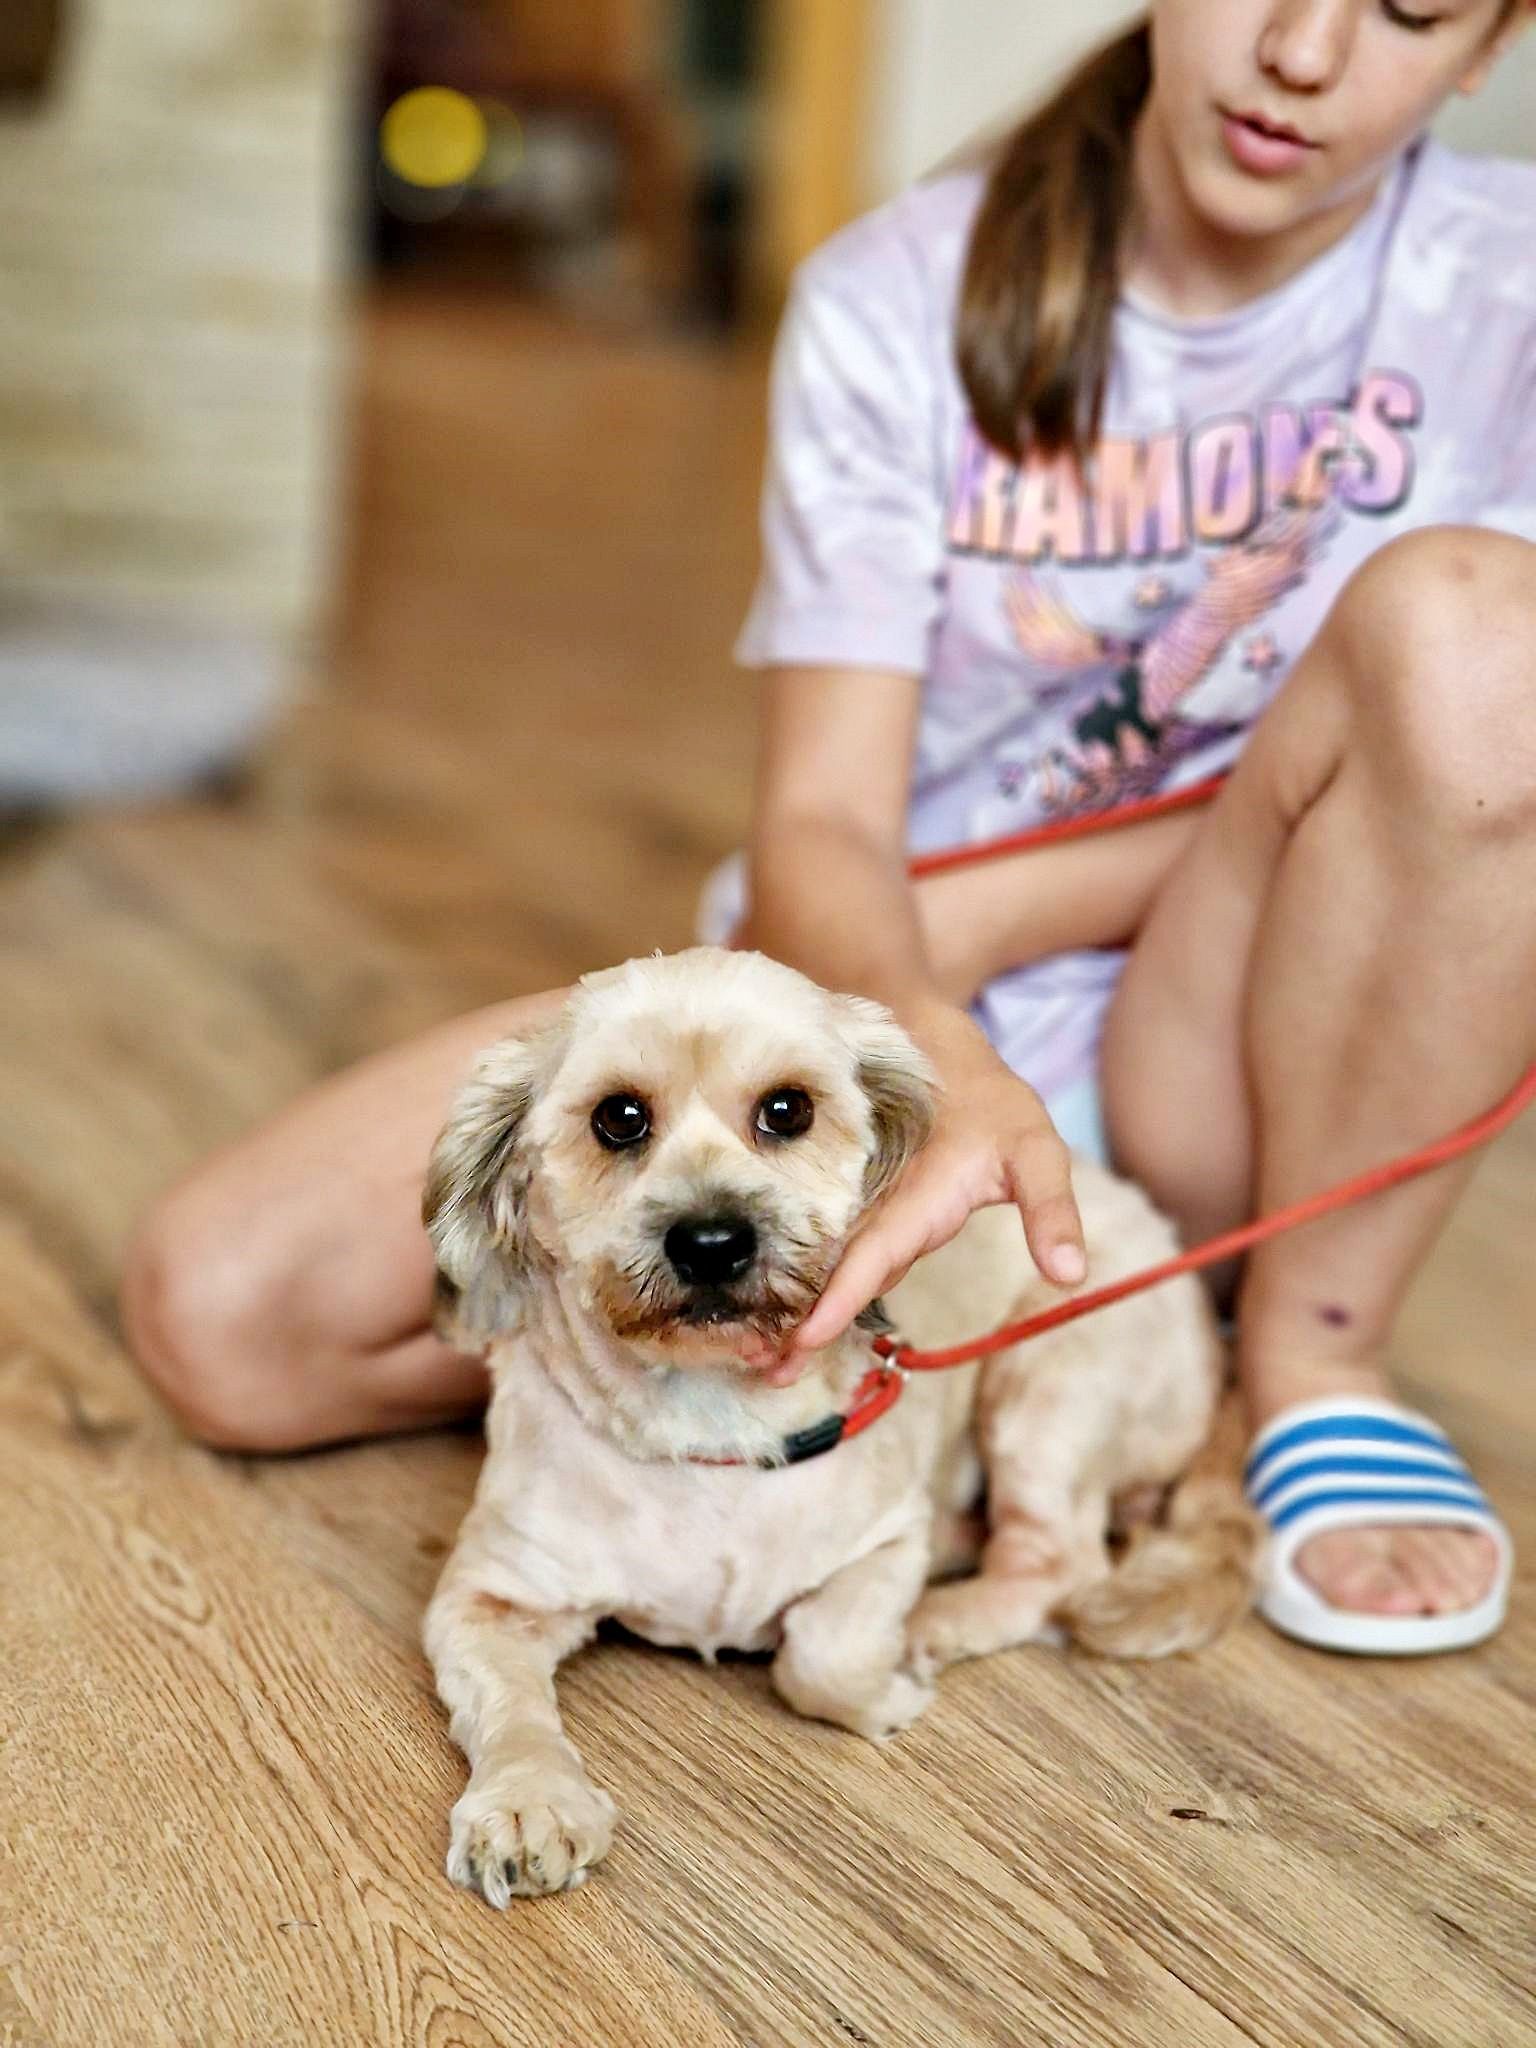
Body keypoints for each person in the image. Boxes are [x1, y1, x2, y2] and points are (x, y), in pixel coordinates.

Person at [123, 0, 1535, 1657]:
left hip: (1228, 1047)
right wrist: (927, 1030)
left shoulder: (1505, 294)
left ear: (1492, 41)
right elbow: (818, 820)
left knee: (1480, 630)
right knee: (222, 1314)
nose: (1301, 49)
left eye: (1409, 3)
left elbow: (1463, 772)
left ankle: (1309, 1357)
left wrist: (992, 918)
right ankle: (834, 1379)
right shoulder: (895, 295)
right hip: (850, 1018)